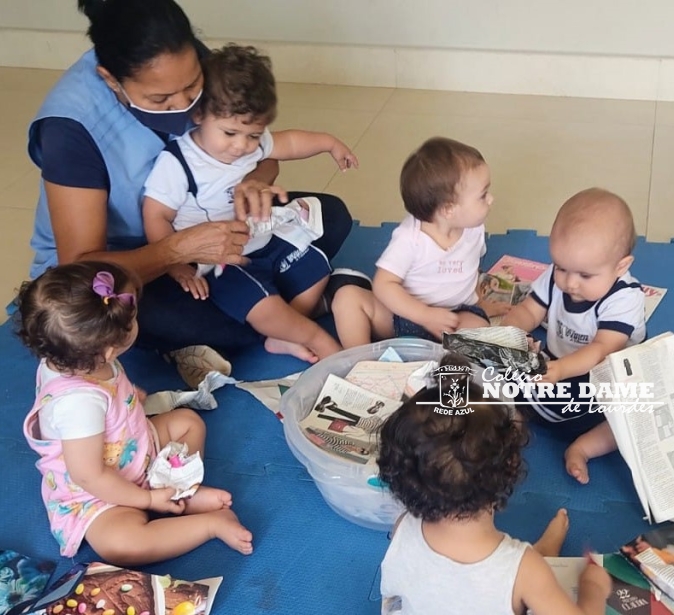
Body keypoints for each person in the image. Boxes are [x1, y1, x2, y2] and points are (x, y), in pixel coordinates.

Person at [26, 0, 357, 386]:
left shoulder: (194, 68)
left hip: (211, 225)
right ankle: (284, 312)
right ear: (111, 79)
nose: (185, 108)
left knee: (329, 215)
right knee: (132, 317)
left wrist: (255, 182)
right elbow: (82, 272)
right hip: (121, 267)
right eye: (161, 100)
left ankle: (268, 313)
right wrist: (179, 251)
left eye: (192, 89)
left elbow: (256, 148)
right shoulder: (69, 128)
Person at [19, 262, 253, 566]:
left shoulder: (69, 353)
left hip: (134, 449)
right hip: (99, 493)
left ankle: (179, 490)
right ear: (108, 350)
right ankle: (208, 524)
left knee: (187, 423)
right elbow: (89, 475)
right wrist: (147, 500)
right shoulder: (78, 403)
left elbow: (109, 392)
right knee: (122, 545)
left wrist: (129, 397)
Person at [142, 44, 355, 362]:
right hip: (223, 259)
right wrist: (175, 266)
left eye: (253, 135)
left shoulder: (250, 141)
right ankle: (314, 338)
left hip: (261, 238)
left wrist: (330, 143)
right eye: (230, 133)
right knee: (260, 302)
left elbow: (290, 142)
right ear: (199, 114)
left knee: (316, 266)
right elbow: (156, 214)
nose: (242, 145)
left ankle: (281, 333)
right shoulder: (179, 162)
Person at [377, 356, 611, 614]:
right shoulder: (527, 571)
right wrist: (594, 590)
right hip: (524, 576)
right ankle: (544, 556)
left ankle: (544, 550)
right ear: (511, 466)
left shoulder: (403, 526)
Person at [502, 188, 645, 485]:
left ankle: (583, 447)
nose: (569, 282)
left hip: (604, 379)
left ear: (621, 266)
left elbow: (602, 349)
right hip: (558, 365)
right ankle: (519, 414)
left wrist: (560, 370)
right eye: (562, 268)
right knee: (495, 369)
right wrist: (512, 332)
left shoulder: (625, 296)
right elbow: (528, 311)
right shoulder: (557, 277)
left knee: (633, 417)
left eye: (585, 276)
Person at [332, 137, 493, 348]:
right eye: (483, 195)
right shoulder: (410, 238)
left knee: (483, 335)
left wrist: (479, 302)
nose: (491, 199)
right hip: (405, 315)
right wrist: (424, 315)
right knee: (347, 298)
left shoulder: (475, 229)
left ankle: (445, 367)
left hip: (454, 317)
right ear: (448, 209)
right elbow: (383, 285)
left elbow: (471, 268)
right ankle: (360, 362)